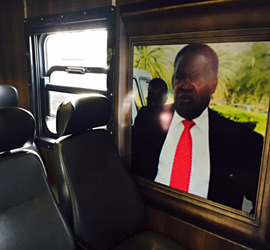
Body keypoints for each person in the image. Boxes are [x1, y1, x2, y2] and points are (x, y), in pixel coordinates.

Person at [132, 44, 263, 213]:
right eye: (180, 78)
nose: (186, 86)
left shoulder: (241, 141)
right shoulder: (148, 121)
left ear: (213, 85)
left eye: (197, 79)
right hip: (151, 226)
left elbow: (262, 210)